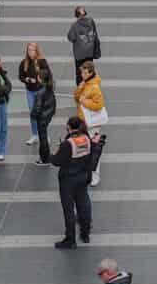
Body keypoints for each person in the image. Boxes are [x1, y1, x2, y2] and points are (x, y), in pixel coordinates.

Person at [51, 115, 101, 248]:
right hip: (83, 177)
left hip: (68, 180)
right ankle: (85, 234)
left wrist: (54, 153)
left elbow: (57, 161)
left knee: (69, 210)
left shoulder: (68, 143)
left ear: (68, 127)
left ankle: (70, 239)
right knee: (84, 205)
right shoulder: (87, 139)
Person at [74, 61, 108, 186]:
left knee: (94, 149)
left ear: (90, 73)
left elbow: (99, 105)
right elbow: (76, 98)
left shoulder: (94, 87)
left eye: (84, 72)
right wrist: (79, 89)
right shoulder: (85, 84)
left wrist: (85, 102)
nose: (82, 74)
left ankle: (95, 175)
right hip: (83, 121)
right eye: (81, 72)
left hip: (92, 123)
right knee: (84, 148)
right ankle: (86, 173)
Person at [31, 59, 60, 164]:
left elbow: (37, 107)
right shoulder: (49, 87)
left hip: (42, 117)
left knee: (42, 138)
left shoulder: (40, 92)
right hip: (48, 114)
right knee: (43, 137)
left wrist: (33, 115)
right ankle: (45, 157)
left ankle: (44, 158)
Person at [67, 6, 101, 73]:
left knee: (79, 72)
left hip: (79, 54)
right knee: (89, 70)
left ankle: (81, 83)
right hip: (90, 51)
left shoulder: (75, 25)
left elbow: (71, 38)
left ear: (76, 15)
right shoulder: (91, 21)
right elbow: (95, 33)